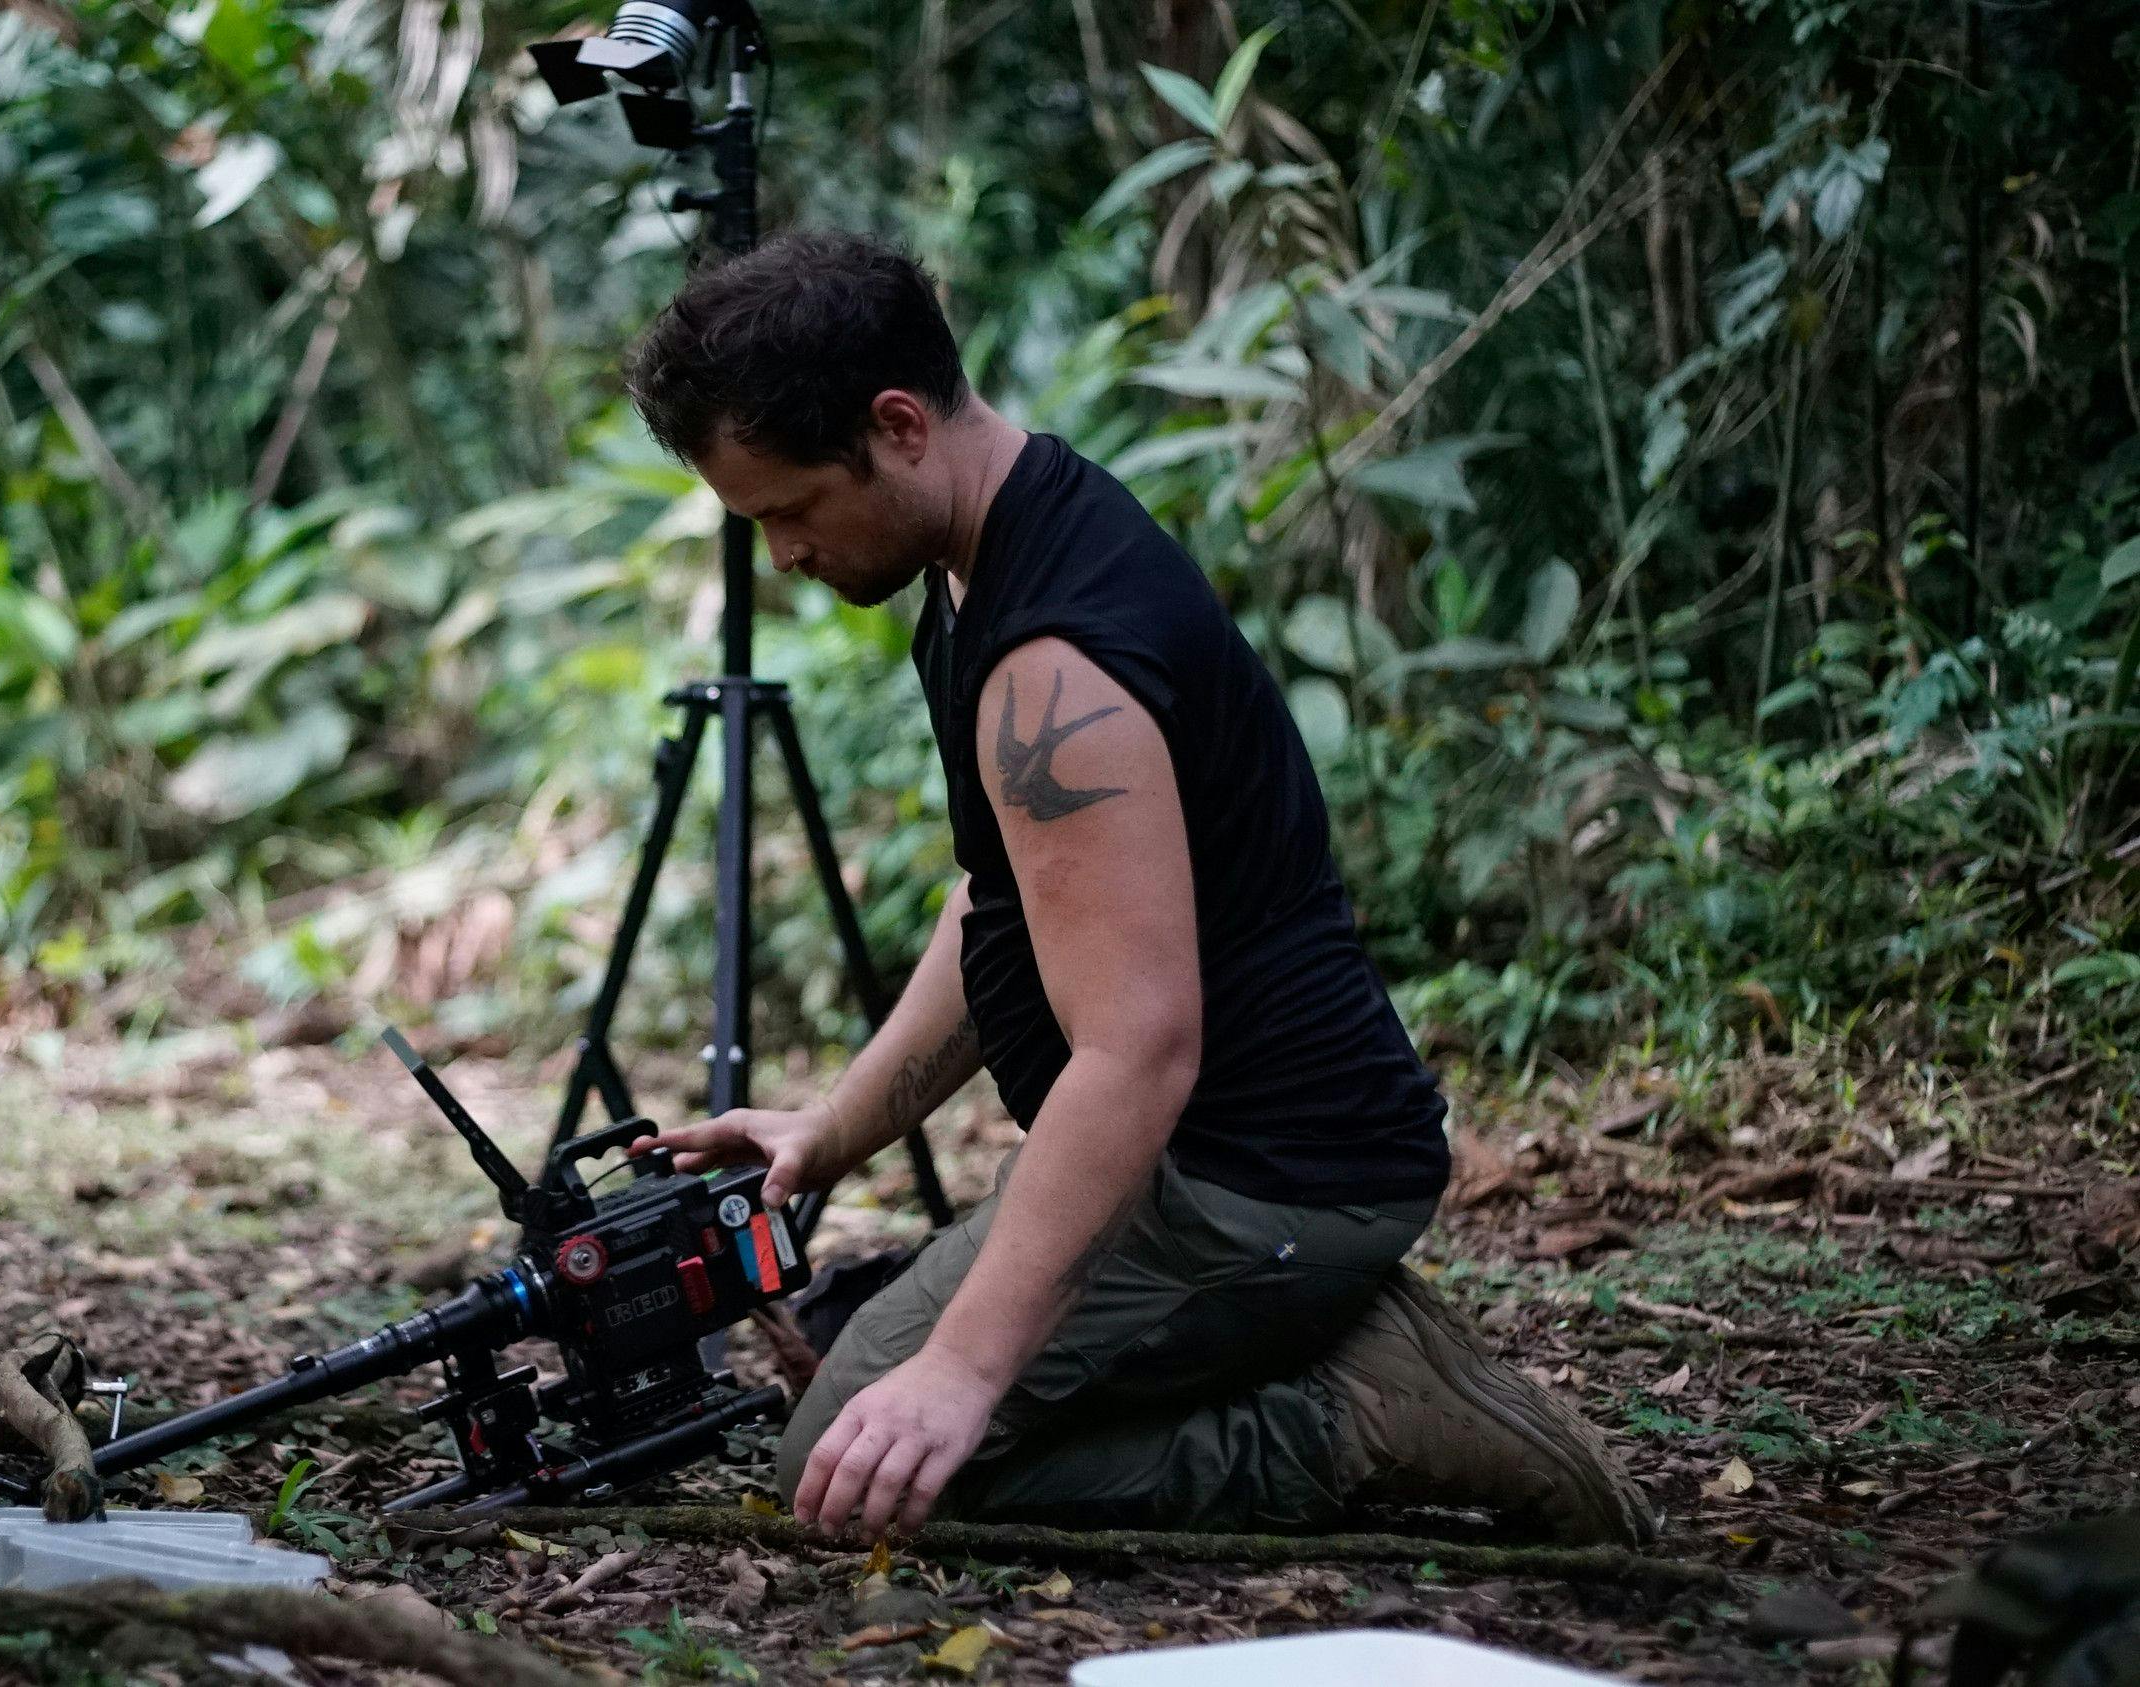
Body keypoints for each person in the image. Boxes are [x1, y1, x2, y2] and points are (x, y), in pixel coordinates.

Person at [624, 231, 1652, 1548]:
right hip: (1208, 1162)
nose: (783, 556)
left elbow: (1137, 1052)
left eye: (789, 510)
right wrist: (831, 1130)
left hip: (1266, 1182)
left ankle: (1364, 1411)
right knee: (859, 1418)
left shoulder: (1058, 665)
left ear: (896, 427)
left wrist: (964, 1373)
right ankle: (1299, 1339)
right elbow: (1002, 897)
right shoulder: (984, 559)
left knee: (864, 1460)